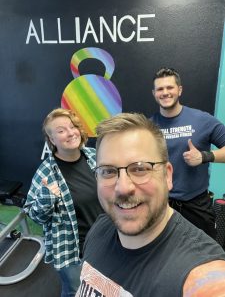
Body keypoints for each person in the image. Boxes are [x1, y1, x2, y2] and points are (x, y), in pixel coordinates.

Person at [76, 113, 225, 297]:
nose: (123, 188)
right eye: (108, 171)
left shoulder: (199, 270)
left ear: (168, 176)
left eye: (139, 169)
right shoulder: (99, 229)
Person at [24, 108, 103, 297]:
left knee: (102, 285)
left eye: (73, 126)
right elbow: (34, 215)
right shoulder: (46, 173)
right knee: (75, 291)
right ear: (52, 140)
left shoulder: (94, 156)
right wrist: (46, 198)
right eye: (61, 131)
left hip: (103, 240)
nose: (70, 133)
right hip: (72, 251)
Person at [151, 67, 225, 239]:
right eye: (160, 89)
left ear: (179, 90)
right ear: (154, 93)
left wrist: (205, 156)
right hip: (162, 205)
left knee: (205, 256)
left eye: (170, 87)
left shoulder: (202, 119)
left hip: (196, 205)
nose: (165, 92)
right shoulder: (148, 126)